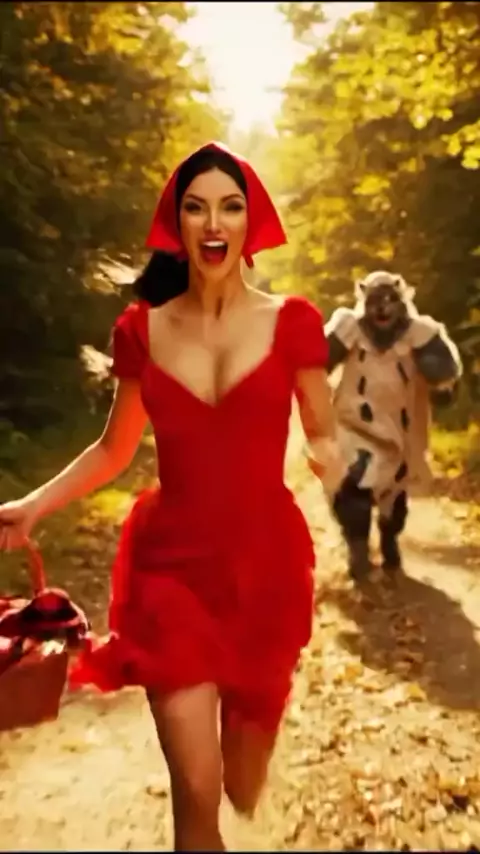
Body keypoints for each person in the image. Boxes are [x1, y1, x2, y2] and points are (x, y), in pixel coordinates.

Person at [0, 141, 343, 852]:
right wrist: (32, 505)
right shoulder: (141, 330)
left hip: (266, 568)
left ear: (250, 223)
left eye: (230, 207)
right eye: (196, 208)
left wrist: (336, 466)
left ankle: (248, 765)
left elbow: (322, 432)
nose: (213, 222)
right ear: (176, 225)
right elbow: (114, 449)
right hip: (170, 572)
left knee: (242, 783)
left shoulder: (294, 322)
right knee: (197, 791)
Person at [324, 269, 463, 581]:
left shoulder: (421, 333)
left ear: (402, 301)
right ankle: (358, 550)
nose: (383, 308)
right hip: (354, 426)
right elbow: (317, 362)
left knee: (394, 495)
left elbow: (446, 377)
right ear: (364, 300)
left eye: (390, 300)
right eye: (375, 300)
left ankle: (389, 539)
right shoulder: (349, 328)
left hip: (401, 432)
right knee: (352, 485)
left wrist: (441, 383)